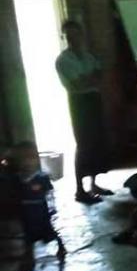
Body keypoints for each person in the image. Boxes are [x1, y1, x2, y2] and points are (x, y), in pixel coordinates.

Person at [55, 20, 113, 204]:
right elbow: (77, 84)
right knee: (83, 144)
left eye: (76, 34)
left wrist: (89, 79)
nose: (73, 38)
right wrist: (90, 78)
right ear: (64, 37)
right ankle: (79, 189)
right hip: (79, 103)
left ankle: (93, 184)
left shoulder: (88, 56)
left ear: (82, 35)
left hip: (94, 99)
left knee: (97, 142)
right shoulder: (64, 60)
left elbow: (100, 76)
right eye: (69, 35)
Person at [10, 142, 67, 271]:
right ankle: (29, 258)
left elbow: (50, 193)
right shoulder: (16, 178)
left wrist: (52, 208)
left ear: (36, 159)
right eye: (22, 159)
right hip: (25, 212)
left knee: (48, 231)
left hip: (40, 211)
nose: (26, 162)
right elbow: (14, 196)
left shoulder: (42, 177)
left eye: (30, 158)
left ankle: (61, 247)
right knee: (28, 237)